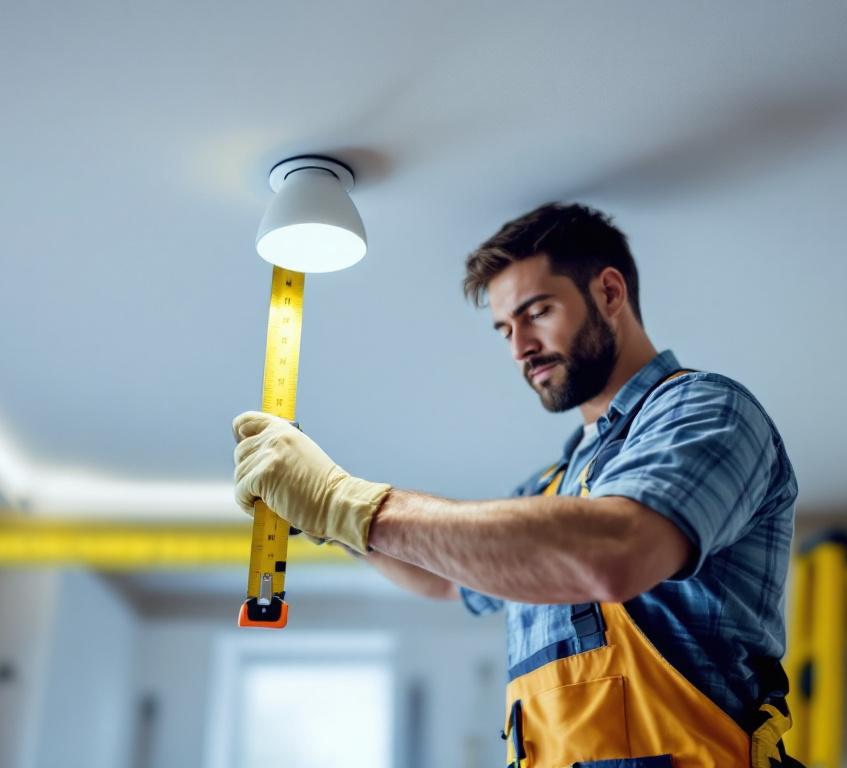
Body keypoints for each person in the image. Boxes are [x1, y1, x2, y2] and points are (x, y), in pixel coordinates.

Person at [232, 202, 801, 767]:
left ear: (609, 292)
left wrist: (343, 500)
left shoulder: (703, 409)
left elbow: (617, 549)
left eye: (537, 312)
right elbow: (445, 578)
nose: (519, 347)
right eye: (505, 328)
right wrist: (325, 518)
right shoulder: (551, 489)